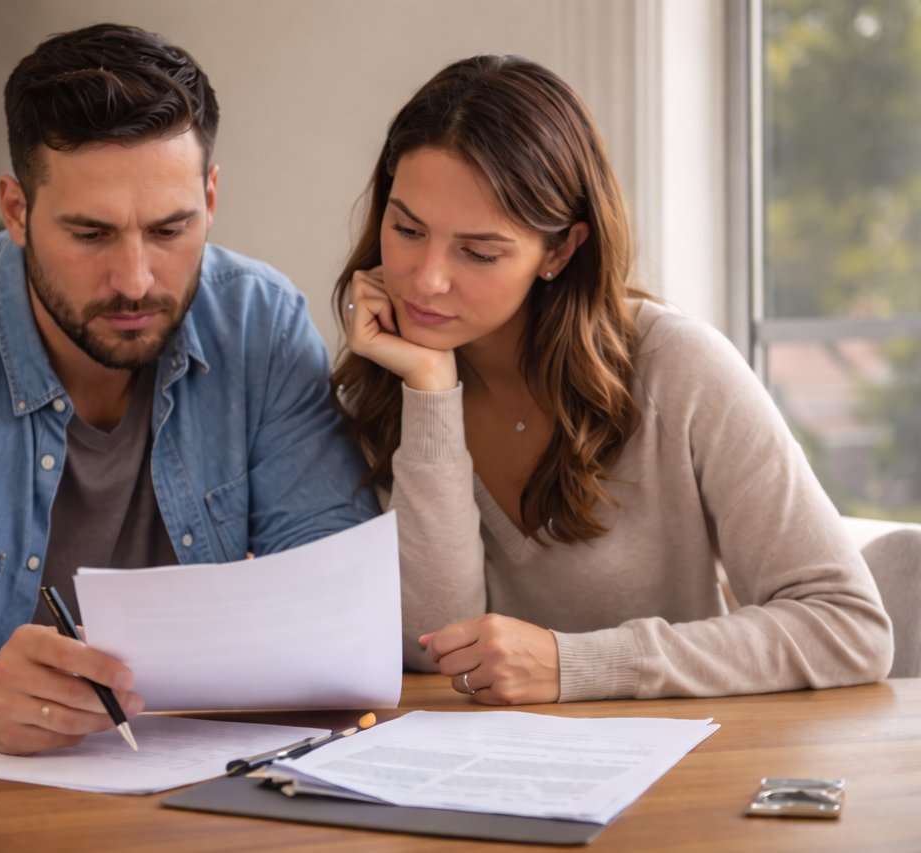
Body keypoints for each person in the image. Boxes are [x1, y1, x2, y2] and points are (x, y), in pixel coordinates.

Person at [0, 23, 377, 755]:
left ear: (209, 197)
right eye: (90, 234)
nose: (136, 279)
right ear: (16, 210)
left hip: (192, 780)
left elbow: (339, 591)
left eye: (171, 228)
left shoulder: (259, 325)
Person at [333, 54, 893, 704]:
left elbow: (848, 626)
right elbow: (433, 641)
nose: (425, 279)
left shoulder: (676, 367)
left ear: (562, 250)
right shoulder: (378, 388)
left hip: (690, 778)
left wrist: (580, 664)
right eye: (407, 229)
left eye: (479, 251)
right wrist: (430, 391)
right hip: (489, 784)